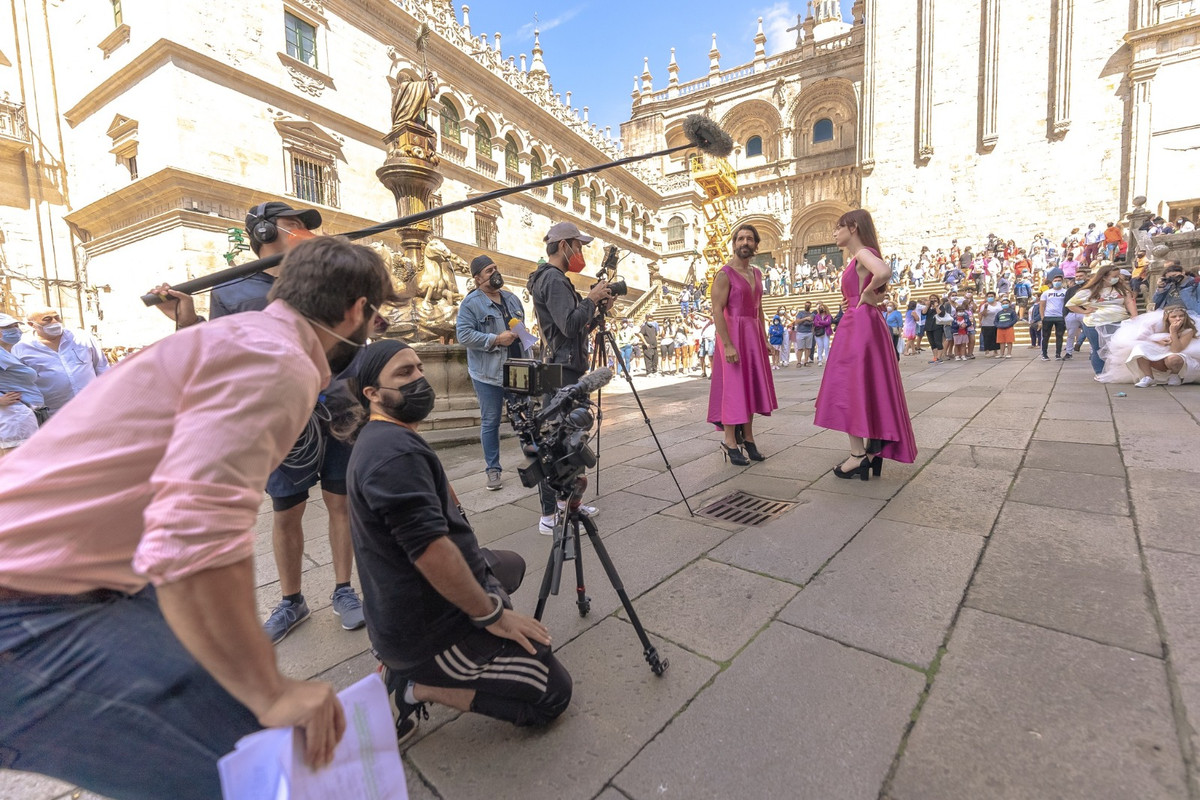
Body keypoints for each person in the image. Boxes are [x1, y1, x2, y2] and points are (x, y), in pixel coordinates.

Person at [0, 236, 398, 800]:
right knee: (243, 773)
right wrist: (269, 688)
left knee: (250, 739)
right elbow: (194, 541)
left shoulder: (241, 337)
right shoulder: (276, 359)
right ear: (357, 311)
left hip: (83, 583)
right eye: (376, 317)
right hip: (29, 608)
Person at [152, 201, 367, 644]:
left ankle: (344, 590)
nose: (304, 235)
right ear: (267, 230)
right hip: (280, 420)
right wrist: (186, 323)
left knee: (340, 502)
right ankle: (292, 600)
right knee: (287, 509)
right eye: (295, 227)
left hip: (340, 409)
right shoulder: (231, 291)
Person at [345, 339, 571, 741]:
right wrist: (493, 615)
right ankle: (411, 687)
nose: (419, 378)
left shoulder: (389, 436)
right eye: (404, 373)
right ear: (372, 394)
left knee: (512, 566)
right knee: (551, 691)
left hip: (419, 596)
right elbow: (431, 553)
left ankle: (468, 632)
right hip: (425, 630)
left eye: (418, 367)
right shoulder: (393, 455)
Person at [815, 210, 917, 480]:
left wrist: (865, 294)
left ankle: (858, 455)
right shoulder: (862, 255)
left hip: (858, 326)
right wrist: (866, 296)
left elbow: (884, 271)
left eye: (839, 227)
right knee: (866, 384)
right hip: (865, 324)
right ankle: (871, 450)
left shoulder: (861, 254)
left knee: (850, 386)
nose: (835, 232)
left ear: (854, 227)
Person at [528, 221, 610, 534]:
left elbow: (572, 331)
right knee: (557, 443)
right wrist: (590, 299)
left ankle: (568, 504)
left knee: (569, 441)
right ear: (564, 246)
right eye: (578, 246)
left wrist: (595, 308)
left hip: (563, 365)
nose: (581, 252)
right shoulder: (553, 279)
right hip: (562, 372)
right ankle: (549, 517)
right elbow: (568, 325)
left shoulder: (553, 280)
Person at [455, 255, 530, 491]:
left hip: (518, 369)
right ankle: (493, 470)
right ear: (477, 278)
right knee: (491, 421)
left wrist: (525, 339)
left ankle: (534, 463)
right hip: (488, 374)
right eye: (489, 271)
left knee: (524, 418)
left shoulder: (511, 298)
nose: (495, 273)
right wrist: (496, 339)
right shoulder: (471, 303)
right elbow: (464, 336)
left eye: (495, 268)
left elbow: (521, 326)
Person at [708, 225, 778, 465]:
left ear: (756, 245)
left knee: (749, 388)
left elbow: (759, 309)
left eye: (749, 239)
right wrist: (727, 344)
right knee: (734, 389)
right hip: (733, 334)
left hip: (752, 336)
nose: (744, 242)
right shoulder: (724, 274)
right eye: (740, 239)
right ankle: (729, 441)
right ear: (734, 244)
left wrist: (765, 339)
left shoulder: (757, 274)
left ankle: (748, 439)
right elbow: (717, 310)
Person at [13, 307, 108, 417]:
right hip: (55, 414)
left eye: (57, 317)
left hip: (93, 406)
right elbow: (23, 382)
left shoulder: (81, 338)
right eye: (47, 319)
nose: (55, 322)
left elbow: (101, 367)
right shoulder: (21, 348)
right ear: (31, 324)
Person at [1099, 305, 1200, 387]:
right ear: (1167, 318)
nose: (1178, 319)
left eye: (1181, 316)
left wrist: (1173, 332)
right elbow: (1140, 338)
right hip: (1159, 353)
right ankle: (1148, 377)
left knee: (1173, 359)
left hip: (1177, 355)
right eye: (1174, 317)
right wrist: (1158, 341)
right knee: (1139, 348)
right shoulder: (1157, 324)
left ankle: (1174, 375)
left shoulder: (1188, 330)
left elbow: (1176, 349)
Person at [1068, 263, 1139, 377]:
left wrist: (1134, 315)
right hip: (1095, 323)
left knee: (1119, 348)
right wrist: (1085, 311)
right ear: (1104, 277)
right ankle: (1100, 373)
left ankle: (1117, 371)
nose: (1118, 278)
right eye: (1114, 276)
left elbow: (1129, 301)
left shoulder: (1121, 289)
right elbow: (1071, 304)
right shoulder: (1088, 291)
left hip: (1119, 321)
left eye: (1118, 275)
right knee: (1098, 349)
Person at [0, 313, 43, 455]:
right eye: (8, 327)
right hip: (13, 418)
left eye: (16, 325)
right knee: (17, 469)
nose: (15, 329)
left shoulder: (6, 353)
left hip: (20, 416)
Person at [1039, 275, 1068, 361]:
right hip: (1048, 316)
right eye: (1055, 280)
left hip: (1060, 317)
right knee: (1045, 336)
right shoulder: (1046, 293)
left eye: (1059, 280)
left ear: (1062, 282)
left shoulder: (1065, 292)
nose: (1057, 282)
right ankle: (1044, 354)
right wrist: (1042, 317)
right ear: (1052, 282)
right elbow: (1042, 306)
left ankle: (1058, 354)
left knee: (1059, 336)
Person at [978, 291, 1002, 357]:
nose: (990, 298)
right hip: (987, 324)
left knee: (996, 337)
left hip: (997, 323)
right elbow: (982, 314)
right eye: (989, 297)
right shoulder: (984, 305)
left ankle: (995, 351)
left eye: (992, 296)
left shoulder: (999, 304)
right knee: (987, 338)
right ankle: (987, 351)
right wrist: (985, 308)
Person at [793, 302, 816, 367]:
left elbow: (812, 321)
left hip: (809, 332)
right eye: (806, 305)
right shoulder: (800, 313)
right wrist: (805, 319)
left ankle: (806, 361)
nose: (807, 306)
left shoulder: (812, 314)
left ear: (810, 306)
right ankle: (799, 362)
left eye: (808, 305)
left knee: (808, 348)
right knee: (800, 348)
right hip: (800, 332)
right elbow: (797, 321)